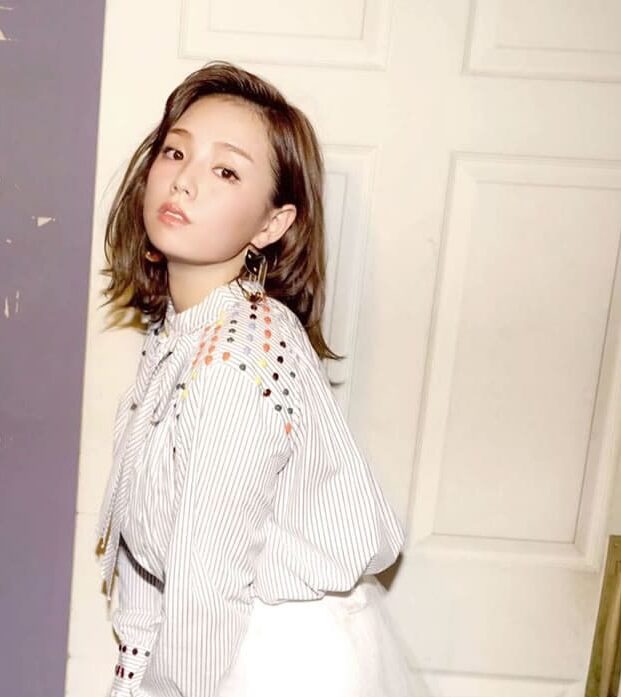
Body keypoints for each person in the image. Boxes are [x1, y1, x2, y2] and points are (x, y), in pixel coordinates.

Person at [95, 60, 417, 697]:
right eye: (175, 152)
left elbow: (207, 580)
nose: (183, 180)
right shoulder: (186, 329)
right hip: (228, 639)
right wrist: (131, 669)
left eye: (226, 170)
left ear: (271, 225)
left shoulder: (232, 362)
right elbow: (145, 530)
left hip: (270, 657)